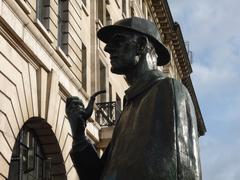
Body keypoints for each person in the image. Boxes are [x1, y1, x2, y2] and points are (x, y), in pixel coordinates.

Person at [66, 17, 202, 180]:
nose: (108, 48)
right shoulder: (129, 110)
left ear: (141, 46)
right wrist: (80, 136)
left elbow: (184, 172)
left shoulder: (168, 91)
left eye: (119, 41)